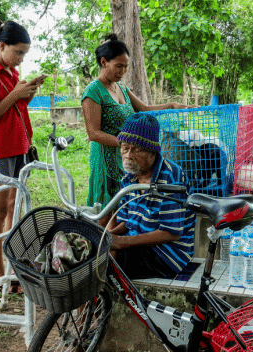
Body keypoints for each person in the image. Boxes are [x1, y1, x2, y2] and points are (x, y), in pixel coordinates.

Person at [81, 34, 193, 223]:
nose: (123, 71)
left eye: (125, 66)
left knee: (123, 206)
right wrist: (126, 144)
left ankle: (115, 244)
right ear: (103, 62)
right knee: (107, 209)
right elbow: (93, 133)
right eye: (119, 66)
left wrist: (172, 106)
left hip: (124, 155)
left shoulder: (122, 88)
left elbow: (145, 109)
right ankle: (102, 245)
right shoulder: (93, 91)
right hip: (105, 159)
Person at [0, 20, 45, 290]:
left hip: (19, 147)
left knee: (14, 208)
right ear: (1, 46)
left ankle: (15, 267)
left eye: (25, 54)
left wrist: (26, 92)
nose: (21, 58)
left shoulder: (12, 74)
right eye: (18, 52)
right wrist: (15, 94)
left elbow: (15, 107)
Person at [106, 113, 196, 279]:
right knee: (94, 250)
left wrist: (120, 242)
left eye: (137, 150)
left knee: (101, 261)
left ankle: (97, 301)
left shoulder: (171, 177)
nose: (128, 156)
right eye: (125, 148)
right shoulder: (129, 177)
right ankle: (94, 302)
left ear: (153, 152)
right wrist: (109, 237)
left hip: (167, 253)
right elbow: (127, 221)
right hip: (138, 242)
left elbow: (171, 233)